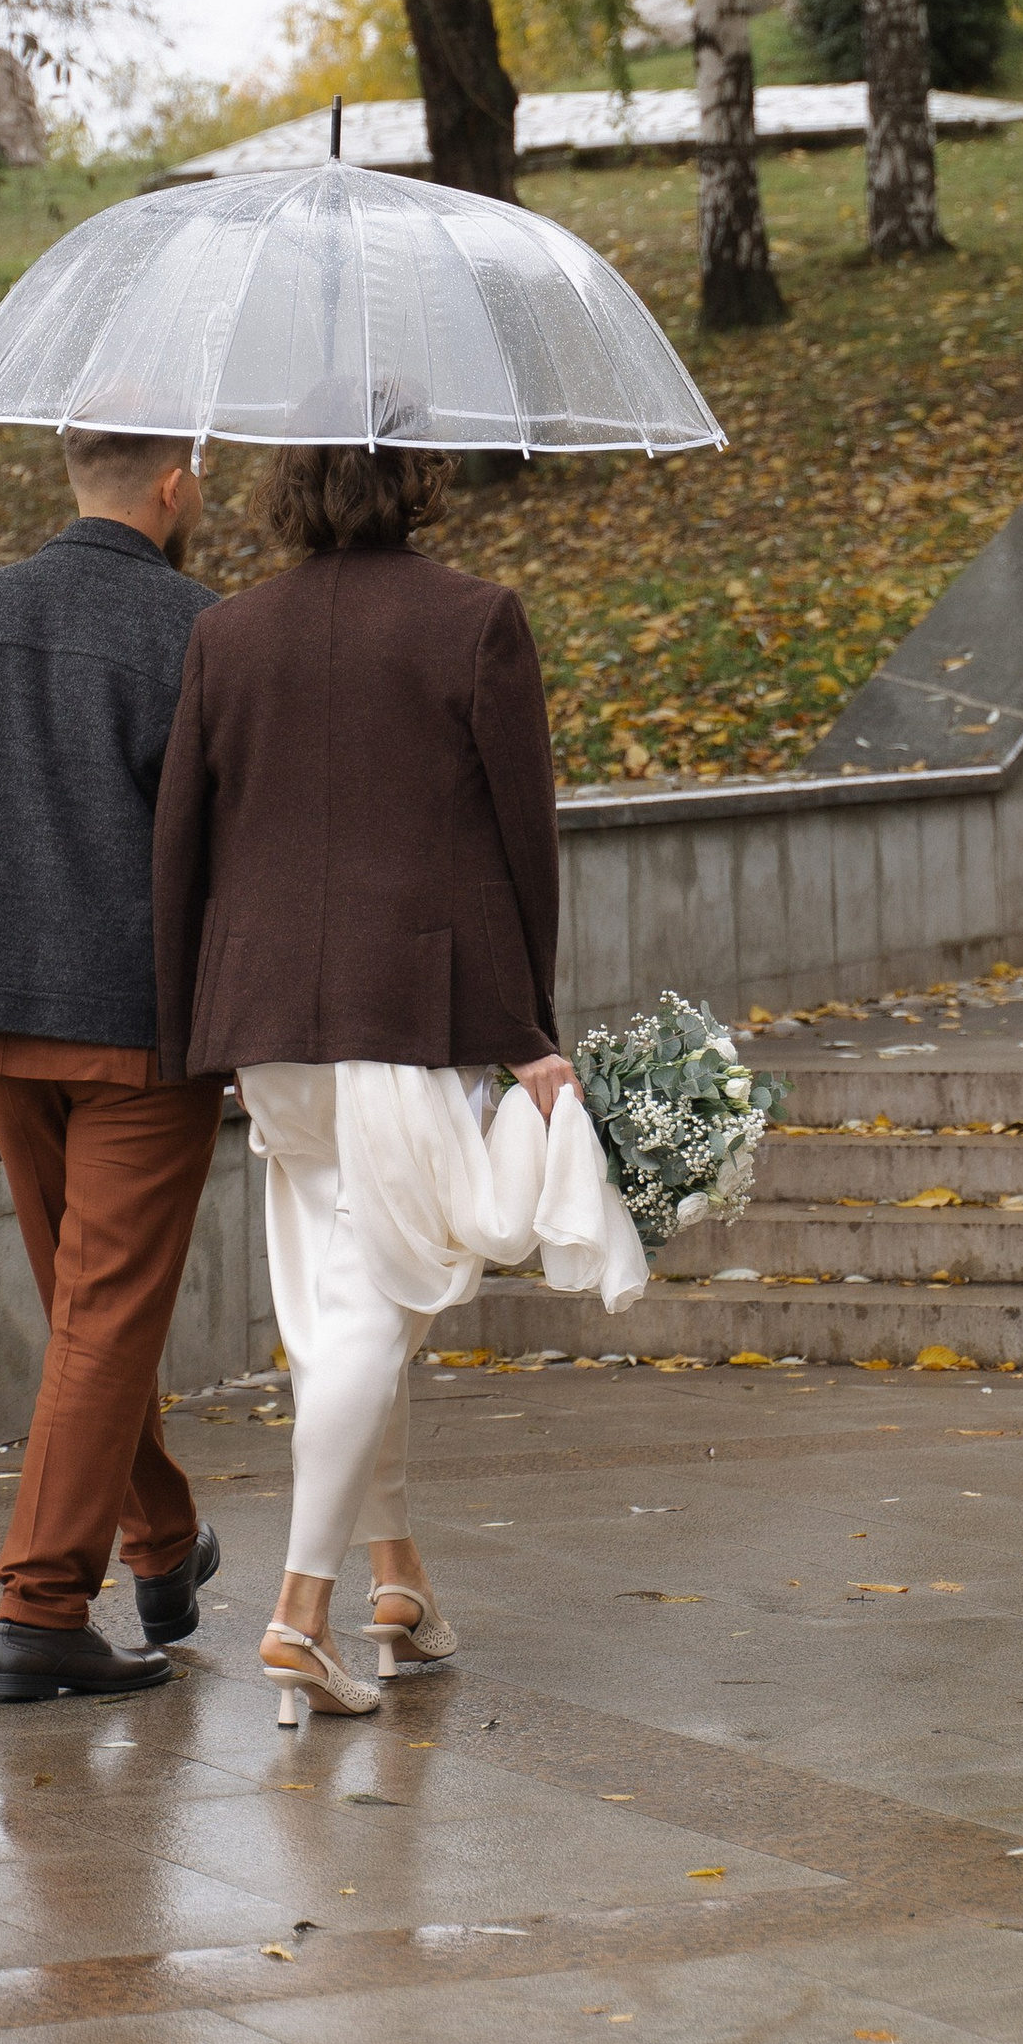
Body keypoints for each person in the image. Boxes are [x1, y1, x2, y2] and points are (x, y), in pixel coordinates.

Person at [153, 440, 623, 1720]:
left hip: (266, 1027)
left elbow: (181, 847)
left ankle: (396, 1580)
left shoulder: (228, 633)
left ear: (287, 493)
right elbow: (527, 844)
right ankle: (300, 1614)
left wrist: (185, 1023)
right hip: (404, 1014)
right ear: (417, 479)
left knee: (330, 1315)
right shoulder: (476, 621)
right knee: (369, 1313)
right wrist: (528, 1028)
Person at [0, 425, 224, 1704]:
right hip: (139, 1034)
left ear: (72, 472)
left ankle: (167, 1543)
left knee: (90, 1311)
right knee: (106, 1314)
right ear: (174, 484)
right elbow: (224, 848)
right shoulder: (199, 629)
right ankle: (39, 1608)